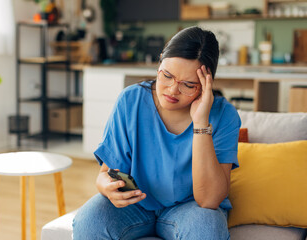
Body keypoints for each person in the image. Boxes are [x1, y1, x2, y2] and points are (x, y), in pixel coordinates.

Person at [73, 26, 241, 240]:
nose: (172, 90)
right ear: (160, 61)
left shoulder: (223, 115)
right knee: (89, 222)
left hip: (190, 209)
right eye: (167, 75)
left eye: (188, 85)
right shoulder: (130, 101)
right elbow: (105, 173)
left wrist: (200, 122)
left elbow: (208, 200)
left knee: (207, 230)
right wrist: (108, 187)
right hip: (134, 206)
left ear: (206, 84)